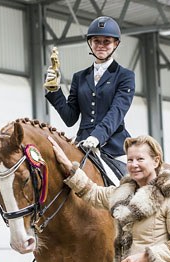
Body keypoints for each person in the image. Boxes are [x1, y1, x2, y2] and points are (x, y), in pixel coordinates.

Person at [48, 135, 170, 262]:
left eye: (140, 159)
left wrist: (147, 257)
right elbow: (93, 192)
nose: (133, 164)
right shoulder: (122, 193)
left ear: (156, 161)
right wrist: (68, 166)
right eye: (130, 159)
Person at [45, 16, 135, 161]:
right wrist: (54, 89)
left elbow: (116, 112)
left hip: (114, 146)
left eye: (107, 41)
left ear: (116, 44)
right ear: (90, 43)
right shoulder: (79, 77)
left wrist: (97, 136)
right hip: (83, 144)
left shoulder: (125, 76)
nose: (101, 45)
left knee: (131, 178)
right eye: (96, 41)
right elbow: (70, 118)